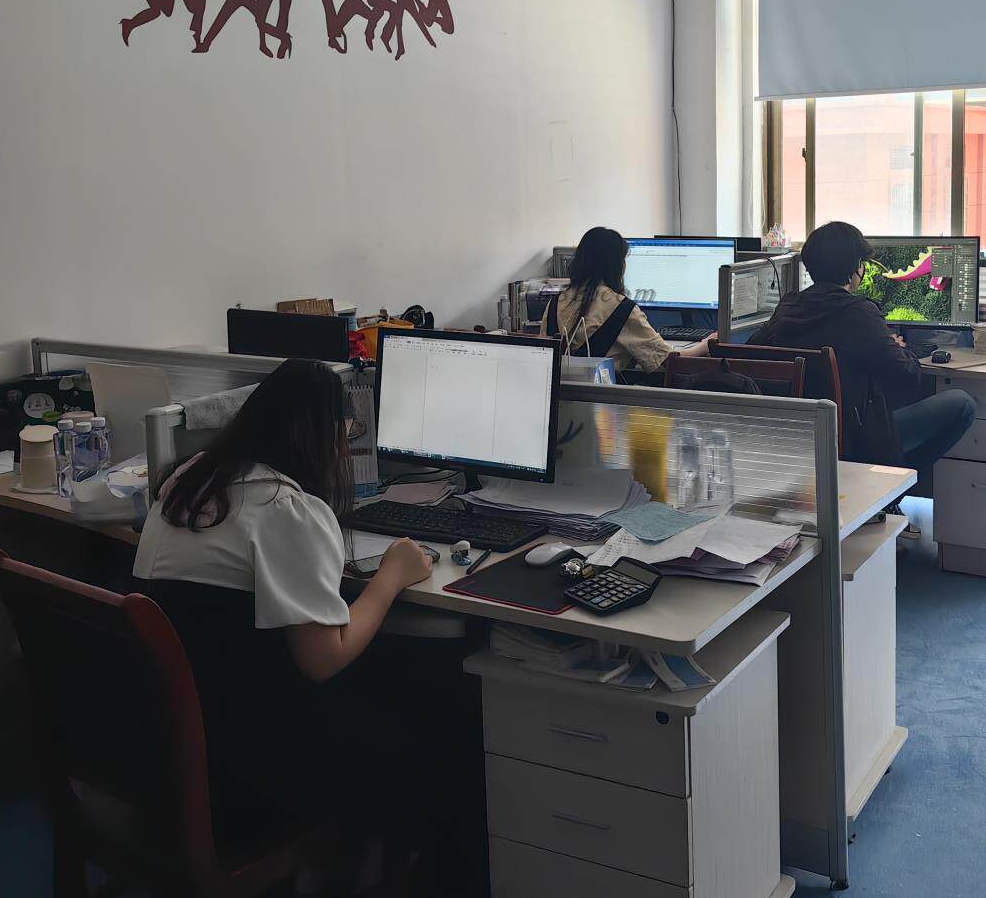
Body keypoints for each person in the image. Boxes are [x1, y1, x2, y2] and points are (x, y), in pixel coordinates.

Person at [132, 359, 480, 894]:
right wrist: (391, 576)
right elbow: (323, 659)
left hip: (173, 746)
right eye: (345, 432)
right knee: (438, 713)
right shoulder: (285, 508)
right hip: (253, 769)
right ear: (320, 436)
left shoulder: (187, 481)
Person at [754, 222, 975, 507]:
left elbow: (753, 353)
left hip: (799, 442)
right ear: (855, 268)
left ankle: (882, 495)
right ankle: (888, 494)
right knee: (962, 403)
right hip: (857, 442)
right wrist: (899, 348)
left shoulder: (786, 309)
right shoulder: (857, 313)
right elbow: (907, 375)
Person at [548, 227, 710, 376]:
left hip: (554, 395)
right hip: (601, 396)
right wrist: (704, 345)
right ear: (617, 266)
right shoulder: (622, 309)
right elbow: (668, 361)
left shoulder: (555, 303)